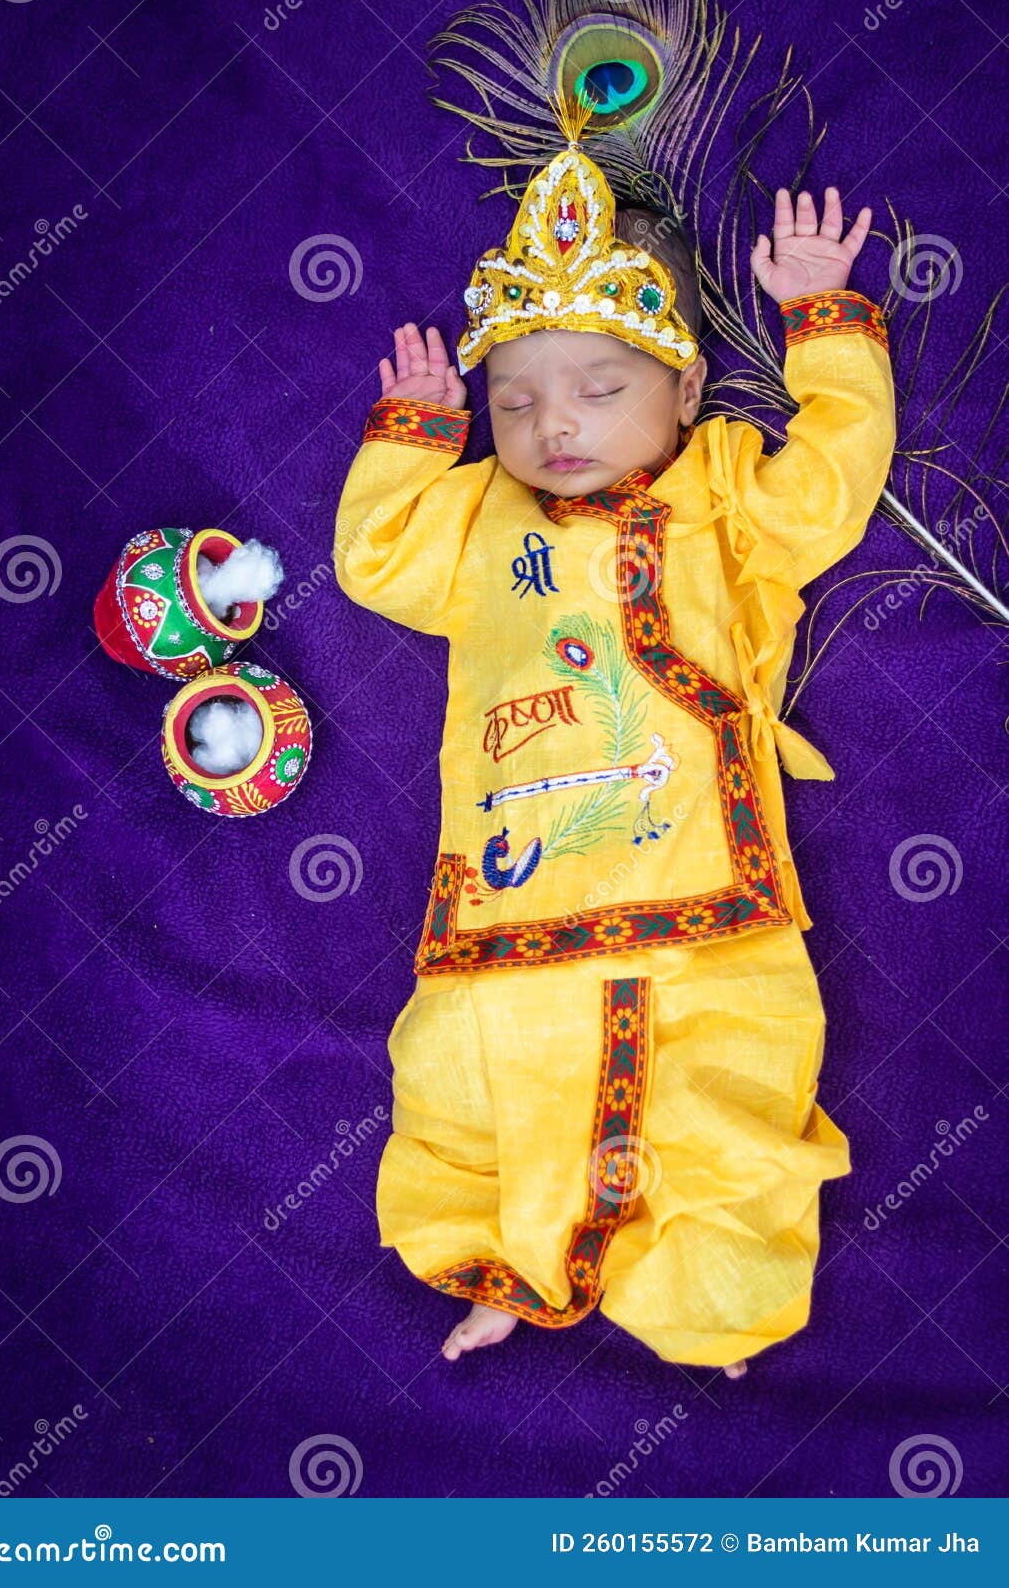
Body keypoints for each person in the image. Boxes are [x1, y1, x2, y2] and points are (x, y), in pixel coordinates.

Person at [333, 105, 895, 1375]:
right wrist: (415, 435)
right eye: (514, 398)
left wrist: (822, 326)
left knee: (730, 1096)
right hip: (509, 906)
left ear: (685, 386)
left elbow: (829, 485)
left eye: (601, 387)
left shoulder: (720, 494)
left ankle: (712, 1296)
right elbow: (373, 561)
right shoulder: (475, 521)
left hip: (709, 894)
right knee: (466, 1081)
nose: (554, 426)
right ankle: (500, 1263)